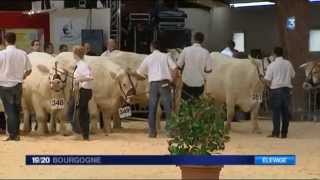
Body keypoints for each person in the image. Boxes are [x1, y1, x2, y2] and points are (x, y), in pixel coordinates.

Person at [136, 40, 178, 138]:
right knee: (168, 108)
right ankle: (170, 131)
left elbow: (139, 73)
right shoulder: (166, 56)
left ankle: (152, 132)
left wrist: (133, 74)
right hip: (165, 84)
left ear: (152, 47)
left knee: (152, 108)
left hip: (153, 84)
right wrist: (172, 80)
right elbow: (175, 68)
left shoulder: (148, 58)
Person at [0, 32, 32, 141]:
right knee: (17, 110)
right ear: (15, 40)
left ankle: (12, 135)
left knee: (9, 111)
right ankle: (16, 134)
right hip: (18, 85)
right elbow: (29, 70)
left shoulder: (1, 54)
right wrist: (23, 76)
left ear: (5, 41)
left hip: (4, 85)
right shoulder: (22, 53)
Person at [264, 47, 295, 139]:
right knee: (285, 113)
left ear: (274, 54)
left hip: (275, 90)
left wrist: (267, 83)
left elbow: (268, 79)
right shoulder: (288, 63)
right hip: (286, 90)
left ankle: (276, 133)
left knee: (276, 113)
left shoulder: (272, 65)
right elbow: (293, 75)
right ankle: (284, 134)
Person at [177, 32, 213, 101]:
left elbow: (178, 65)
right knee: (197, 106)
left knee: (186, 104)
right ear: (203, 41)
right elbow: (209, 70)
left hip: (186, 83)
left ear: (193, 39)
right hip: (199, 84)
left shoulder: (186, 50)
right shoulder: (206, 52)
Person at [72, 45, 93, 140]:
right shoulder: (80, 64)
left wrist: (79, 79)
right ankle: (84, 133)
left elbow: (90, 77)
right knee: (82, 112)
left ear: (76, 54)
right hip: (83, 91)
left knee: (82, 113)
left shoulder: (82, 65)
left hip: (85, 91)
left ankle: (85, 134)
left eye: (73, 53)